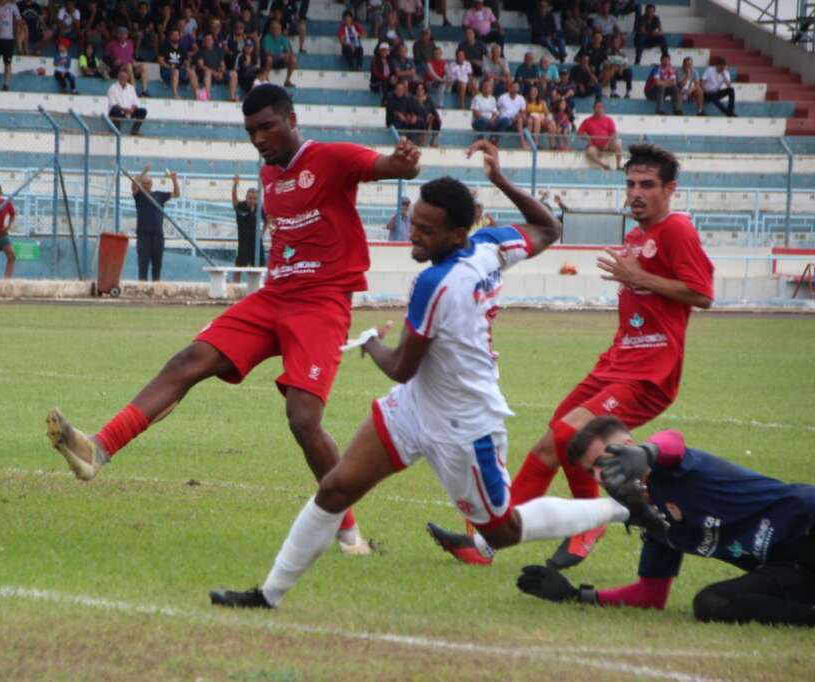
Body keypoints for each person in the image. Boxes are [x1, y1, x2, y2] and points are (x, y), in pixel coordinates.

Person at [207, 145, 667, 610]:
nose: (415, 235)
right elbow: (548, 228)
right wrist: (502, 180)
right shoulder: (490, 245)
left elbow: (402, 365)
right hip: (413, 406)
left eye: (427, 230)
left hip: (464, 423)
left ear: (455, 233)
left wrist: (369, 343)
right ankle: (268, 595)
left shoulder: (436, 284)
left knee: (501, 532)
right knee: (335, 488)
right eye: (414, 221)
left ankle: (621, 509)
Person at [46, 84, 421, 559]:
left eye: (267, 127)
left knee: (303, 419)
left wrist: (405, 163)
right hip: (273, 296)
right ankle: (99, 448)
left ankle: (348, 535)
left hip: (321, 303)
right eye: (251, 131)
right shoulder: (267, 174)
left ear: (291, 119)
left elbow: (385, 166)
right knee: (188, 360)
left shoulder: (329, 157)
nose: (259, 138)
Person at [429, 144, 714, 570]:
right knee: (549, 446)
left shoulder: (677, 230)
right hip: (616, 362)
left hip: (650, 371)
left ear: (669, 189)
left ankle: (590, 524)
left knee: (568, 437)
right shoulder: (637, 234)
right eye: (631, 183)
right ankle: (487, 541)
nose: (636, 192)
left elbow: (703, 294)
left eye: (647, 185)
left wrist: (640, 277)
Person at [517, 416, 815, 627]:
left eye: (600, 463)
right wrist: (576, 595)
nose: (599, 477)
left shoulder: (674, 470)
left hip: (807, 520)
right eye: (589, 472)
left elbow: (673, 441)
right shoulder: (652, 520)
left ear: (628, 447)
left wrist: (647, 453)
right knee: (710, 604)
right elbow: (651, 596)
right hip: (791, 567)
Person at [130, 164, 178, 281]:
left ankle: (156, 285)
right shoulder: (139, 196)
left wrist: (174, 180)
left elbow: (176, 194)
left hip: (157, 235)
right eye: (144, 183)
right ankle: (142, 287)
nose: (146, 185)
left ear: (151, 184)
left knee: (157, 264)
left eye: (148, 183)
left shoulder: (159, 195)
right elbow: (134, 186)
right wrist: (143, 172)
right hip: (143, 235)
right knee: (143, 263)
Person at [231, 173, 265, 281]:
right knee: (239, 267)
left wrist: (262, 233)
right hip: (243, 242)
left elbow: (267, 221)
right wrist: (235, 185)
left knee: (258, 267)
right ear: (246, 197)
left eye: (254, 198)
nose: (252, 201)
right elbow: (234, 199)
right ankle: (235, 286)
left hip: (256, 242)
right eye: (250, 198)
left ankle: (256, 288)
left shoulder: (259, 208)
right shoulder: (241, 206)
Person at [577, 100, 622, 170]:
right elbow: (580, 133)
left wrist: (608, 143)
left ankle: (618, 165)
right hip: (594, 146)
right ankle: (603, 165)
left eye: (601, 107)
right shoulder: (587, 121)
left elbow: (614, 133)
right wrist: (586, 137)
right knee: (590, 152)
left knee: (618, 146)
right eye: (597, 107)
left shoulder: (608, 120)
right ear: (594, 109)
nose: (599, 109)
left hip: (608, 145)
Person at [196, 33, 240, 102]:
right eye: (207, 40)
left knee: (234, 74)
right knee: (208, 72)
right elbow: (201, 65)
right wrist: (214, 72)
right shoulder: (200, 51)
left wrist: (221, 72)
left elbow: (222, 65)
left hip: (218, 73)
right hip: (207, 75)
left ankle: (232, 97)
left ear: (213, 41)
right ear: (204, 41)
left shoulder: (218, 51)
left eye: (210, 39)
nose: (208, 41)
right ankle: (208, 96)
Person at [158, 27, 199, 99]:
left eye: (177, 35)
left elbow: (186, 62)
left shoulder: (182, 49)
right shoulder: (164, 47)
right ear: (170, 36)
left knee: (191, 71)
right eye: (173, 35)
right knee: (176, 71)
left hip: (179, 72)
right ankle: (175, 94)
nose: (175, 37)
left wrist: (187, 67)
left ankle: (197, 95)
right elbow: (160, 61)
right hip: (166, 71)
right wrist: (169, 66)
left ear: (179, 37)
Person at [261, 20, 297, 88]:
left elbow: (288, 51)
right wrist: (278, 55)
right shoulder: (267, 38)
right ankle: (266, 78)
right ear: (271, 29)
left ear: (280, 30)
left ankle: (287, 80)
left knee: (293, 59)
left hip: (281, 60)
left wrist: (287, 55)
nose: (276, 30)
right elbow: (266, 52)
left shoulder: (283, 37)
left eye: (278, 28)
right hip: (271, 60)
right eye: (274, 28)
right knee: (269, 59)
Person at [496, 81, 527, 148]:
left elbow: (523, 112)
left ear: (518, 89)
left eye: (517, 87)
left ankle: (524, 143)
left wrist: (519, 116)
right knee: (511, 120)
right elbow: (496, 109)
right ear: (509, 88)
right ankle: (523, 143)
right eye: (513, 87)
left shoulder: (521, 98)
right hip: (504, 120)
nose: (515, 89)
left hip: (516, 120)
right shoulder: (502, 97)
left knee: (520, 119)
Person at [413, 82, 442, 147]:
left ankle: (432, 141)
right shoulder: (413, 100)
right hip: (419, 118)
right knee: (424, 120)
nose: (420, 91)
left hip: (429, 118)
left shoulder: (428, 99)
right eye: (418, 89)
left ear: (424, 90)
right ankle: (422, 140)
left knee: (436, 120)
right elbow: (414, 111)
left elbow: (433, 110)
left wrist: (437, 117)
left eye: (421, 89)